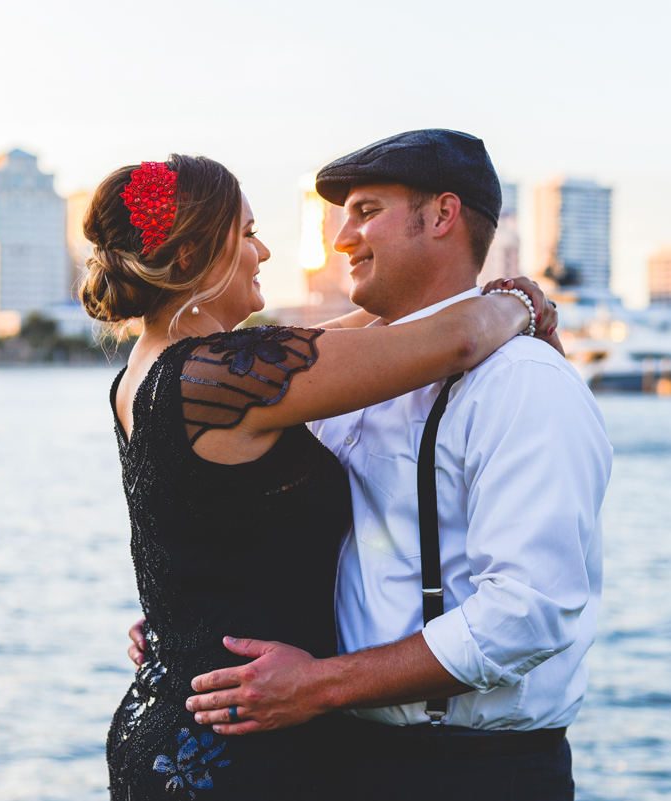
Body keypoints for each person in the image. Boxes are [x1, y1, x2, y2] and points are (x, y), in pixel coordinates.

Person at [138, 130, 613, 800]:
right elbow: (268, 521)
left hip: (473, 772)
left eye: (365, 212)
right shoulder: (328, 382)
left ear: (444, 215)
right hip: (328, 755)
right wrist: (196, 607)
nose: (342, 239)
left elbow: (529, 613)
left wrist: (319, 684)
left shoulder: (522, 381)